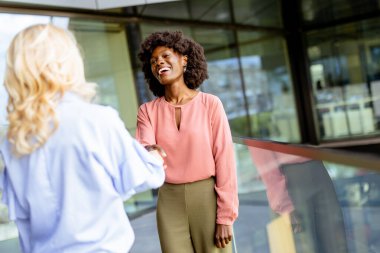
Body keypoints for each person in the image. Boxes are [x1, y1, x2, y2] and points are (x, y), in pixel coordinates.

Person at [0, 24, 166, 253]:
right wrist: (155, 158)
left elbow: (24, 223)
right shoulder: (96, 120)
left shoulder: (13, 142)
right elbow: (139, 177)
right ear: (68, 63)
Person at [136, 31, 239, 253]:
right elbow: (144, 150)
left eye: (165, 56)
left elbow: (225, 161)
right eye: (153, 61)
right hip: (169, 200)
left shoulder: (211, 104)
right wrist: (148, 151)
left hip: (207, 197)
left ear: (184, 60)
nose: (159, 63)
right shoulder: (147, 111)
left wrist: (225, 216)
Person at [249, 146, 348, 253]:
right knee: (305, 246)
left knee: (337, 244)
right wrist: (284, 204)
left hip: (317, 167)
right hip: (291, 182)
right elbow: (260, 151)